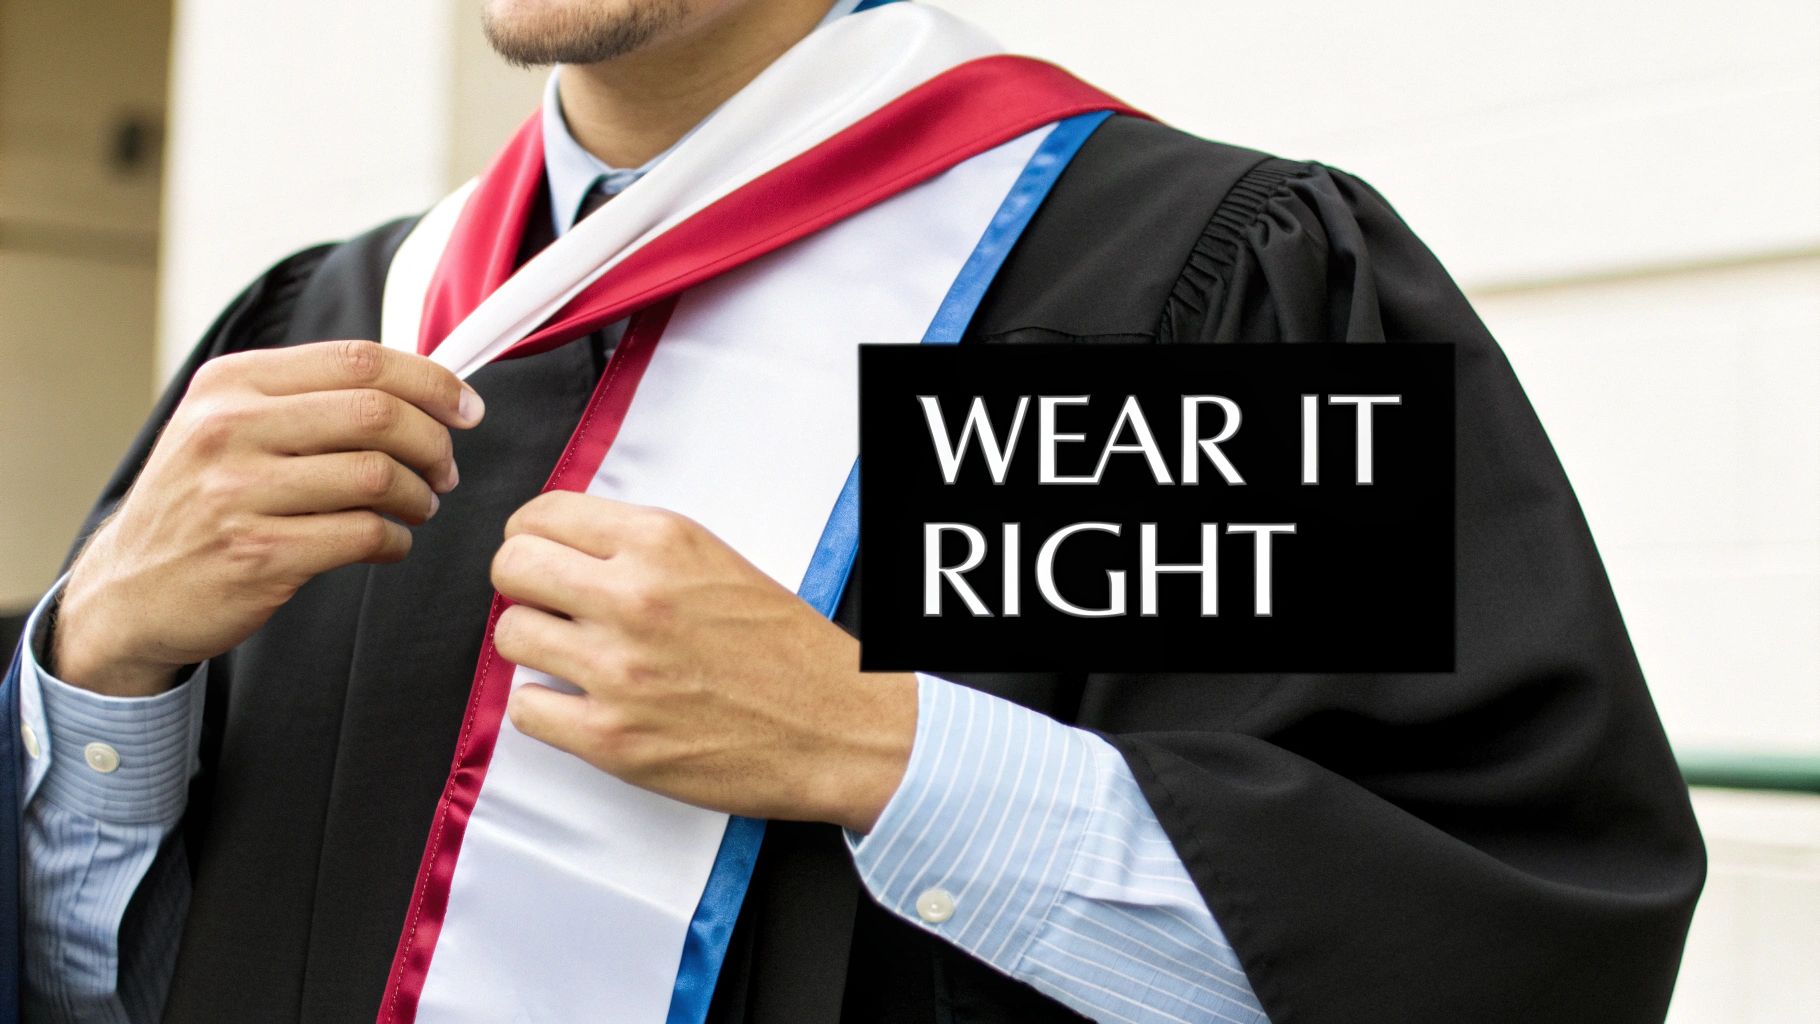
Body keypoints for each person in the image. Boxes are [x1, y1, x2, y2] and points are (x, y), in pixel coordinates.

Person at [4, 0, 1705, 1022]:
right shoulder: (332, 323)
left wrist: (878, 749)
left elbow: (1476, 953)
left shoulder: (1151, 293)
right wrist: (94, 679)